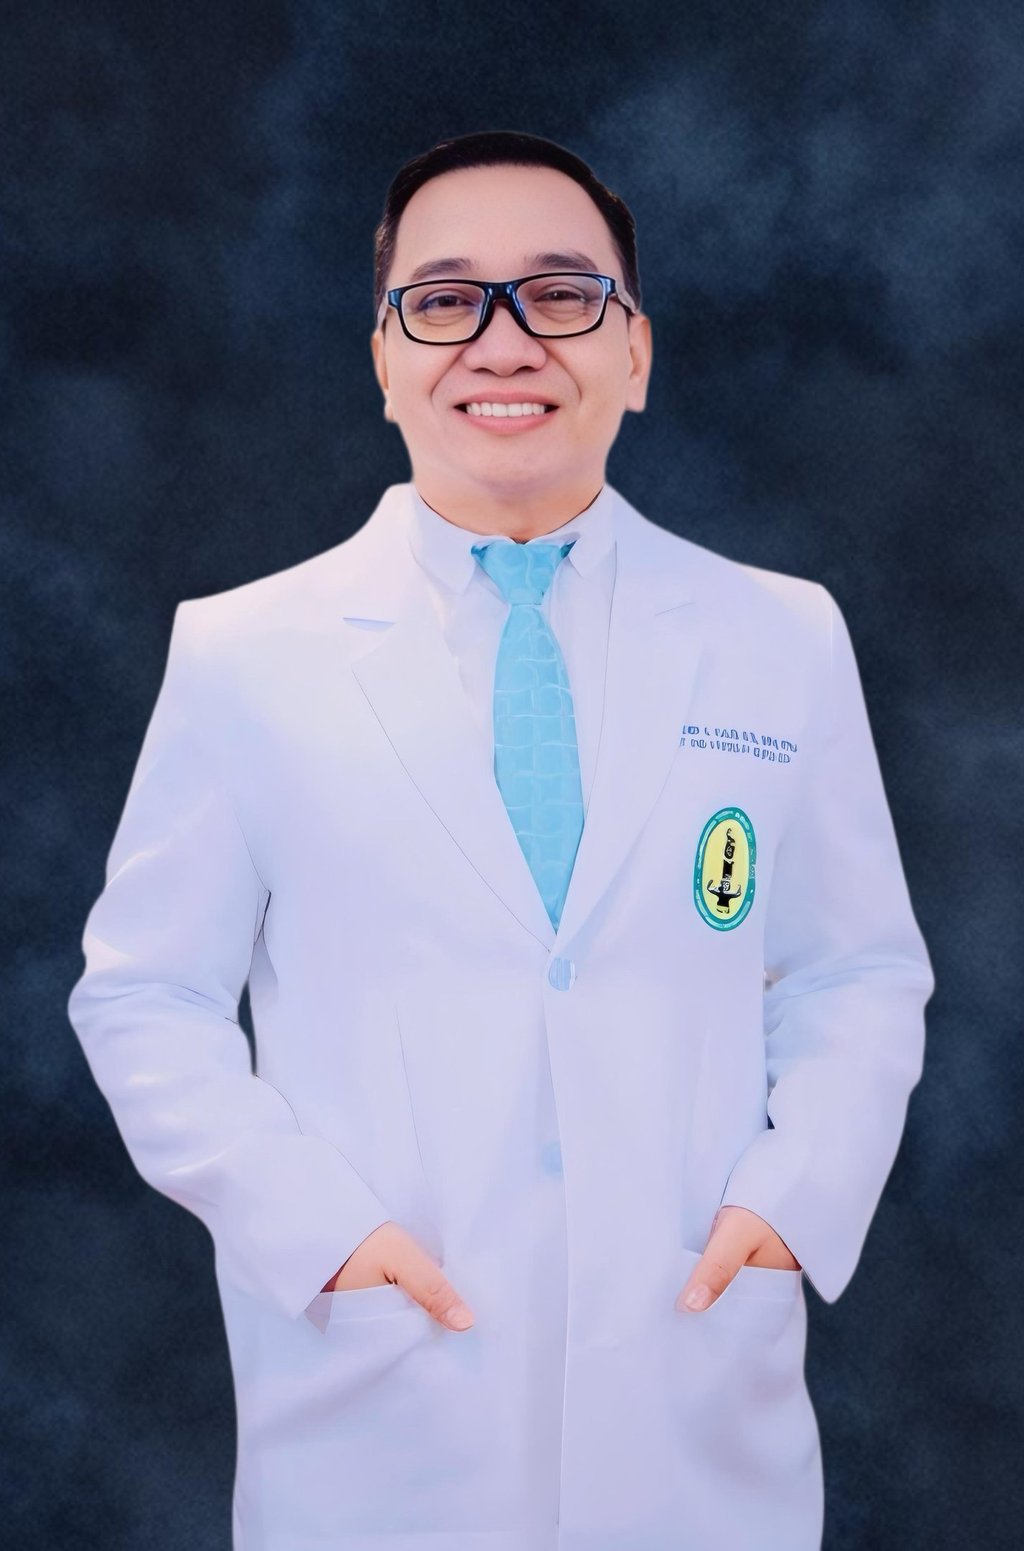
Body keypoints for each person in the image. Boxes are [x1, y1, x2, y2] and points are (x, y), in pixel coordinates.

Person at [67, 130, 935, 1550]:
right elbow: (147, 996)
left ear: (636, 354)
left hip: (694, 1391)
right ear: (384, 360)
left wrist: (793, 1203)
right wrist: (318, 1235)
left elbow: (857, 972)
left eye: (563, 294)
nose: (504, 339)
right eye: (445, 299)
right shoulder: (244, 654)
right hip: (381, 1405)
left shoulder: (778, 636)